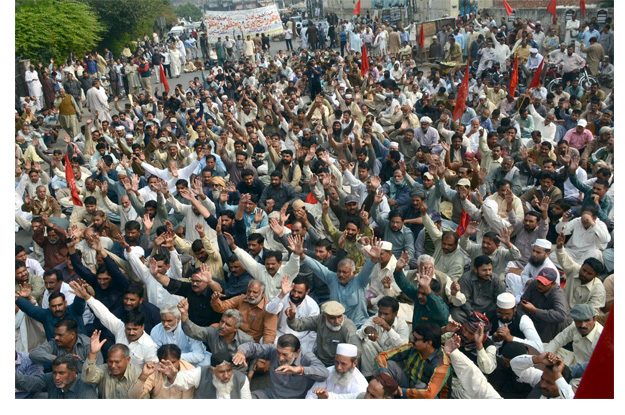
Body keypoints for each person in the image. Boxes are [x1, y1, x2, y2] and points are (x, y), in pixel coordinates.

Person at [71, 280, 158, 367]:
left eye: (135, 329)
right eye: (128, 329)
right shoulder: (120, 328)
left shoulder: (150, 346)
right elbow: (104, 314)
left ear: (142, 327)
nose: (131, 333)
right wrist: (87, 297)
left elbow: (153, 374)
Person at [232, 334, 329, 399]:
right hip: (272, 395)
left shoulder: (307, 357)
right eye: (279, 353)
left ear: (297, 352)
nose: (280, 358)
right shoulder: (274, 350)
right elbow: (252, 347)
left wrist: (299, 369)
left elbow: (324, 372)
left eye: (285, 355)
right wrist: (241, 352)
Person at [375, 322, 451, 399]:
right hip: (408, 388)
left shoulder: (441, 364)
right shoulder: (413, 348)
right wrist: (385, 374)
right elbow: (382, 356)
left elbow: (429, 394)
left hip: (427, 397)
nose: (411, 340)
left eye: (416, 339)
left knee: (421, 386)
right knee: (390, 364)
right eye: (412, 336)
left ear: (428, 343)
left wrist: (399, 391)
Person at [160, 350, 251, 398]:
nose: (226, 375)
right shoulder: (201, 373)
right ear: (212, 370)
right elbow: (184, 380)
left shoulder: (242, 379)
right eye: (221, 372)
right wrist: (173, 377)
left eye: (229, 370)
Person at [356, 296, 409, 378]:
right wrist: (366, 330)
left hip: (393, 359)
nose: (382, 316)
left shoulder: (402, 325)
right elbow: (358, 334)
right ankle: (368, 376)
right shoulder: (375, 318)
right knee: (366, 343)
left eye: (386, 314)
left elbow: (404, 347)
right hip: (377, 355)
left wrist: (388, 328)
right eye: (380, 312)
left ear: (395, 314)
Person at [265, 275, 319, 352]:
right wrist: (282, 294)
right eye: (293, 290)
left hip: (301, 340)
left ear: (307, 292)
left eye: (299, 292)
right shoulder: (284, 296)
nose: (295, 295)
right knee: (264, 342)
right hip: (281, 336)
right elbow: (270, 310)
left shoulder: (312, 306)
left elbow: (312, 333)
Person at [81, 332, 142, 399]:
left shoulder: (138, 375)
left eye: (117, 362)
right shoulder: (103, 369)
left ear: (127, 360)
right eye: (110, 361)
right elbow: (88, 378)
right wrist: (93, 353)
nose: (113, 365)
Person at [518, 268, 572, 343]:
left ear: (553, 284)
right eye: (539, 282)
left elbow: (561, 316)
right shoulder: (534, 284)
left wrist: (535, 310)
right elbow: (523, 301)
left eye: (544, 284)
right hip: (536, 318)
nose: (539, 285)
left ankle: (542, 346)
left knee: (549, 321)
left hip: (555, 325)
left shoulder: (557, 294)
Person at [29, 319, 102, 373]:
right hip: (62, 383)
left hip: (84, 383)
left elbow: (97, 371)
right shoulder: (55, 343)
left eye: (60, 335)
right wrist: (58, 359)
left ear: (72, 335)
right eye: (55, 334)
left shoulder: (88, 345)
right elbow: (34, 354)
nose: (56, 338)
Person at [544, 304, 603, 368]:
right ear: (574, 320)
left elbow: (598, 365)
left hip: (586, 370)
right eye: (579, 321)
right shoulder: (574, 327)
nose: (582, 325)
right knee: (543, 347)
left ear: (594, 319)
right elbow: (557, 341)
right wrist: (549, 355)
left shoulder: (601, 337)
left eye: (587, 320)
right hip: (573, 360)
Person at [127, 344, 196, 399]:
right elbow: (134, 397)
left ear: (179, 360)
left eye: (173, 362)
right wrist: (143, 377)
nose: (169, 366)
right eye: (165, 363)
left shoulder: (190, 370)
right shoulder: (154, 370)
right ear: (159, 362)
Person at [15, 355, 97, 399]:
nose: (57, 377)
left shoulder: (86, 389)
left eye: (61, 373)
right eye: (54, 373)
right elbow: (29, 382)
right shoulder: (50, 378)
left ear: (73, 371)